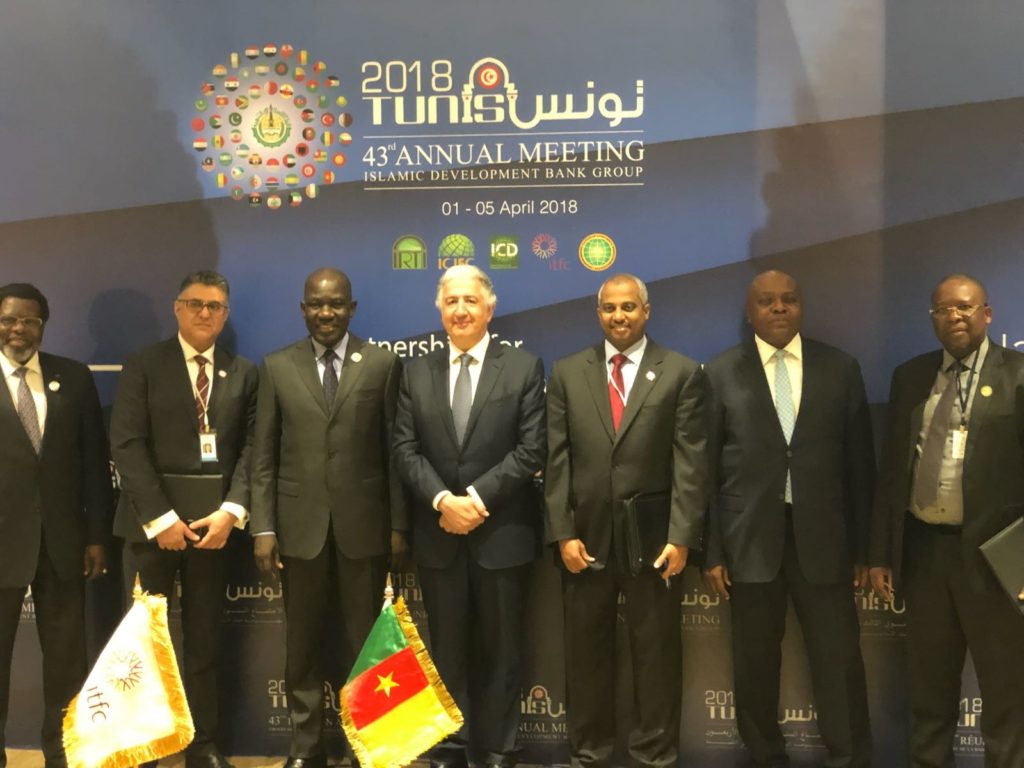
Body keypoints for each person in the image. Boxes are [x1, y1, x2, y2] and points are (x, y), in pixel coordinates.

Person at [703, 270, 874, 768]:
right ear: (749, 311)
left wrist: (865, 550)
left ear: (801, 306)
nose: (779, 308)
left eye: (789, 299)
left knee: (839, 661)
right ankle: (765, 757)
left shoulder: (840, 368)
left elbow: (860, 466)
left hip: (826, 542)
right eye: (767, 301)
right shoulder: (719, 373)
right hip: (749, 543)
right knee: (754, 664)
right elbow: (704, 471)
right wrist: (712, 550)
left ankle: (849, 758)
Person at [545, 273, 707, 768]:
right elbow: (557, 461)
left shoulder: (680, 372)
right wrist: (563, 533)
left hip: (654, 544)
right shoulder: (567, 372)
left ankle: (654, 756)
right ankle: (588, 754)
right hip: (585, 541)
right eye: (610, 308)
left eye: (629, 307)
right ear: (599, 314)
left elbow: (690, 463)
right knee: (585, 659)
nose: (619, 316)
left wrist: (681, 536)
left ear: (646, 311)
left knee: (656, 660)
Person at [251, 267, 406, 768]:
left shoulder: (382, 364)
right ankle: (306, 747)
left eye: (336, 303)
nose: (326, 313)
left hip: (365, 530)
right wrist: (264, 527)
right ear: (303, 309)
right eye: (317, 304)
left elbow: (394, 453)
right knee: (303, 646)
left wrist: (398, 526)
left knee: (363, 645)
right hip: (300, 531)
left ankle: (364, 746)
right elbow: (264, 456)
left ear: (351, 308)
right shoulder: (277, 366)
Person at [393, 265, 545, 768]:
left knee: (502, 650)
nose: (461, 310)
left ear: (489, 309)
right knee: (446, 648)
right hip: (438, 534)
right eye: (452, 301)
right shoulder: (415, 372)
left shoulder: (523, 367)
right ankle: (451, 747)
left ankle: (500, 748)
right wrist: (443, 501)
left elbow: (531, 449)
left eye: (470, 301)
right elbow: (405, 449)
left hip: (501, 533)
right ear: (439, 309)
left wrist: (475, 501)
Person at [870, 273, 1024, 766]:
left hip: (994, 561)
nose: (953, 316)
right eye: (942, 309)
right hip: (925, 555)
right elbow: (892, 473)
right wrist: (881, 553)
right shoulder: (910, 377)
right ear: (933, 319)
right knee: (929, 689)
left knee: (1005, 690)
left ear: (987, 314)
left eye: (964, 307)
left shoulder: (1018, 375)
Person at [111, 271, 257, 768]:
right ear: (177, 308)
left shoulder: (243, 372)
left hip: (214, 531)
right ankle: (140, 746)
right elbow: (126, 444)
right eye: (195, 304)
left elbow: (253, 450)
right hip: (151, 531)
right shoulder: (144, 365)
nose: (204, 313)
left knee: (204, 641)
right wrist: (161, 519)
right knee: (142, 642)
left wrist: (232, 512)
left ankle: (204, 744)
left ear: (225, 315)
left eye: (215, 306)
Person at [0, 283, 112, 768]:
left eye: (29, 320)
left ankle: (62, 753)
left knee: (67, 662)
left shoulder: (74, 377)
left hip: (64, 543)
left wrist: (96, 536)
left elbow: (94, 464)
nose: (18, 329)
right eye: (8, 319)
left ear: (43, 325)